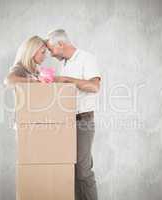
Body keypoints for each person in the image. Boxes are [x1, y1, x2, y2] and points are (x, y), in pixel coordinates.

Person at [46, 29, 101, 200]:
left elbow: (94, 87)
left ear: (60, 44)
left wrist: (65, 80)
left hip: (83, 121)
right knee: (70, 169)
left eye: (51, 49)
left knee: (83, 171)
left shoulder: (86, 58)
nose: (50, 54)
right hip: (67, 122)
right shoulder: (64, 63)